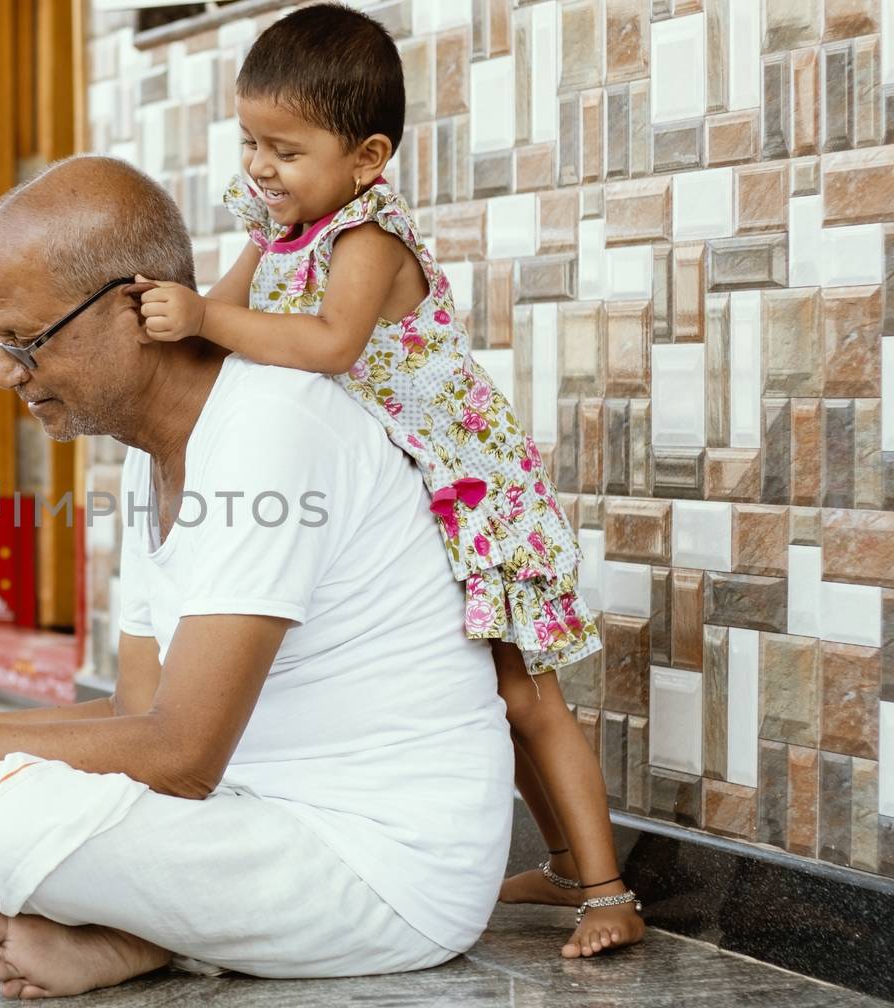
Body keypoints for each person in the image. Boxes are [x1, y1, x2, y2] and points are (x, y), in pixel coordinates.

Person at [0, 154, 514, 999]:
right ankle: (138, 935)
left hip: (380, 867)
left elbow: (178, 756)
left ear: (137, 307)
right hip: (240, 815)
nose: (5, 371)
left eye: (27, 340)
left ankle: (130, 925)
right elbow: (137, 714)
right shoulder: (154, 448)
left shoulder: (270, 428)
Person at [133, 3, 642, 958]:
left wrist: (199, 316)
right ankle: (573, 865)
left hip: (470, 494)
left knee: (527, 696)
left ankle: (609, 890)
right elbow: (229, 319)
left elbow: (327, 345)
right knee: (496, 697)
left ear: (366, 158)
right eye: (250, 142)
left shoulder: (366, 238)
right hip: (406, 498)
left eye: (285, 150)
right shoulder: (279, 223)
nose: (260, 167)